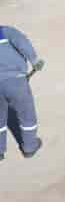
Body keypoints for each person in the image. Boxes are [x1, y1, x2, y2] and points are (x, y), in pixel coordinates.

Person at [0, 25, 44, 160]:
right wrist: (35, 61)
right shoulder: (5, 31)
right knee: (26, 113)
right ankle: (29, 147)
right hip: (15, 80)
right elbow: (23, 43)